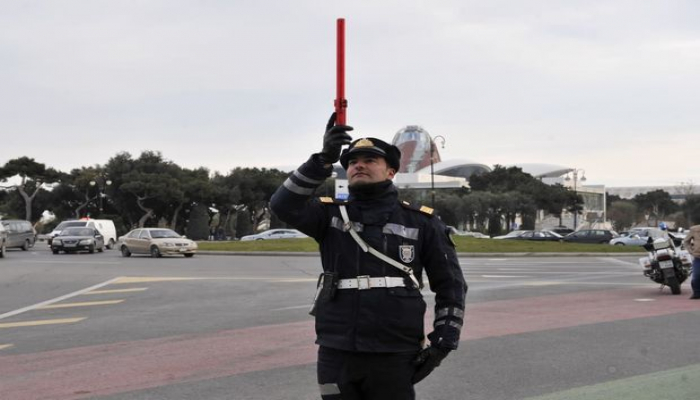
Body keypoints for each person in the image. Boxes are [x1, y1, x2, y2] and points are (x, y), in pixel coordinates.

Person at [270, 114, 468, 400]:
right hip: (336, 348)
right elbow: (282, 204)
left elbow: (451, 285)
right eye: (351, 161)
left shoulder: (423, 222)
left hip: (394, 349)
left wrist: (444, 340)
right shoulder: (330, 215)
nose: (358, 165)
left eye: (370, 160)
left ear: (390, 171)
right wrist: (323, 160)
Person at [682, 224, 700, 299]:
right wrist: (691, 251)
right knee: (696, 276)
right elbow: (686, 241)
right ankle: (696, 292)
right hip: (698, 257)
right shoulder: (694, 229)